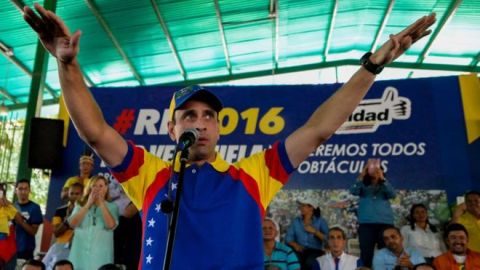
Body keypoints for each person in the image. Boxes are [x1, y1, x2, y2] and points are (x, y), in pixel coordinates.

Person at [21, 4, 436, 269]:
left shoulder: (253, 175)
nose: (199, 123)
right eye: (188, 116)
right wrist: (67, 65)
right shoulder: (149, 175)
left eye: (208, 117)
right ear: (172, 129)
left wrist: (371, 67)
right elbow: (94, 132)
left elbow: (318, 129)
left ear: (219, 129)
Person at [349, 159, 396, 267]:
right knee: (366, 254)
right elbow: (352, 191)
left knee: (386, 254)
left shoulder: (385, 186)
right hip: (366, 225)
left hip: (385, 224)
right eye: (371, 170)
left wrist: (382, 178)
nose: (374, 172)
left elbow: (393, 195)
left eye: (377, 170)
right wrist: (361, 176)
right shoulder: (363, 186)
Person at [67, 175, 119, 270]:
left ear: (106, 188)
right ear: (90, 188)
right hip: (79, 256)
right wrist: (88, 204)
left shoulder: (112, 207)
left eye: (101, 186)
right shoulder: (80, 205)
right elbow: (72, 224)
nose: (97, 189)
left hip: (101, 257)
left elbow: (111, 226)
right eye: (94, 185)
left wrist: (102, 204)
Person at [42, 183, 83, 270]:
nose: (74, 196)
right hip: (62, 245)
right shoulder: (60, 210)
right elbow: (56, 232)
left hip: (80, 246)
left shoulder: (87, 210)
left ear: (83, 194)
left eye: (77, 194)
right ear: (68, 194)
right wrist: (68, 220)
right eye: (72, 193)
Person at [286, 198, 328, 269]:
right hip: (299, 250)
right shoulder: (296, 221)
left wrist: (315, 232)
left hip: (315, 251)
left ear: (311, 208)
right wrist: (295, 245)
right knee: (295, 262)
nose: (300, 208)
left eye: (303, 206)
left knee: (309, 263)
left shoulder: (320, 221)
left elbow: (328, 238)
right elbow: (288, 238)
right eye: (300, 206)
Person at [14, 179, 43, 260]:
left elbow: (33, 231)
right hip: (11, 249)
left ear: (29, 190)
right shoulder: (12, 207)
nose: (23, 192)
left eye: (25, 189)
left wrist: (21, 221)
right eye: (20, 189)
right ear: (16, 190)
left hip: (26, 250)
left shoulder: (35, 208)